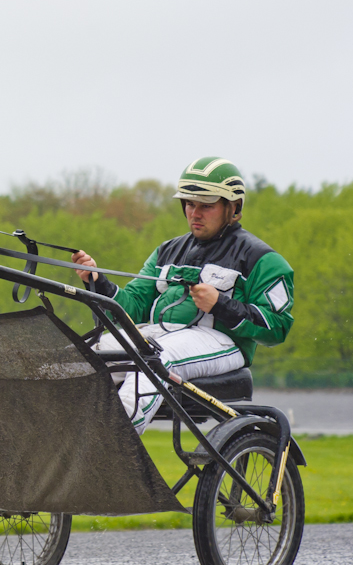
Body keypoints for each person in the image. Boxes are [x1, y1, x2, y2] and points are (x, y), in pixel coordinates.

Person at [71, 157, 294, 433]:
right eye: (189, 203)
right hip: (159, 333)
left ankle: (116, 438)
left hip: (224, 345)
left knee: (158, 357)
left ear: (234, 208)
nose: (194, 213)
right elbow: (133, 308)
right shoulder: (166, 251)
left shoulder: (263, 260)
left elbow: (278, 327)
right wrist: (98, 282)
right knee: (83, 354)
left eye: (206, 206)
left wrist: (221, 305)